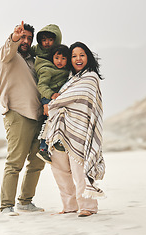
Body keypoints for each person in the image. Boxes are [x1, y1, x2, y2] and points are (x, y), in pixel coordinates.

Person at [41, 41, 106, 217]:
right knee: (60, 169)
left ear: (88, 58)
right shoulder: (70, 79)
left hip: (79, 129)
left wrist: (53, 103)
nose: (78, 59)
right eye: (74, 56)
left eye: (82, 55)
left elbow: (76, 97)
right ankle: (69, 205)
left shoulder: (90, 77)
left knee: (79, 170)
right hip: (60, 129)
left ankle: (88, 206)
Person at [0, 21, 45, 216]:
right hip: (17, 113)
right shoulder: (7, 56)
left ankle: (25, 202)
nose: (25, 41)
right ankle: (6, 205)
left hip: (38, 116)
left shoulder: (33, 60)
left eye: (28, 38)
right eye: (22, 37)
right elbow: (8, 47)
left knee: (37, 162)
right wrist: (14, 37)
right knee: (15, 162)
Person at [35, 45, 70, 164]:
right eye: (57, 58)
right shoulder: (48, 69)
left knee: (59, 121)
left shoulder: (67, 72)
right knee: (48, 123)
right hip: (48, 99)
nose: (60, 61)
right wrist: (50, 95)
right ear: (52, 58)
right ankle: (43, 148)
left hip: (58, 101)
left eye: (63, 58)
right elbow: (42, 86)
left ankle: (58, 142)